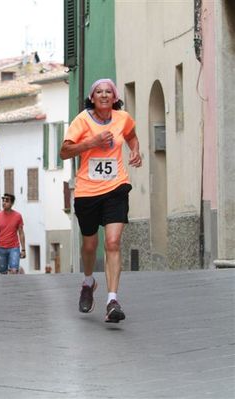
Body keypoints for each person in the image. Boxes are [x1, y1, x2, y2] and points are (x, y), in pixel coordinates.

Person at [59, 78, 142, 323]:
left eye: (109, 92)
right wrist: (91, 142)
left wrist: (135, 150)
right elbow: (64, 152)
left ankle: (112, 300)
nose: (104, 95)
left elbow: (132, 136)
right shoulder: (82, 120)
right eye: (99, 92)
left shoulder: (123, 118)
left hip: (116, 187)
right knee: (89, 245)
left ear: (115, 97)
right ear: (92, 98)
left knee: (113, 242)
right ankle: (88, 281)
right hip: (87, 191)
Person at [0, 193, 26, 274]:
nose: (4, 202)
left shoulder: (18, 216)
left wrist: (23, 249)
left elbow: (21, 233)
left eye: (7, 201)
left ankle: (13, 286)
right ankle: (6, 286)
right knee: (3, 272)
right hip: (0, 248)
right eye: (3, 200)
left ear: (12, 203)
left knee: (14, 270)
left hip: (14, 248)